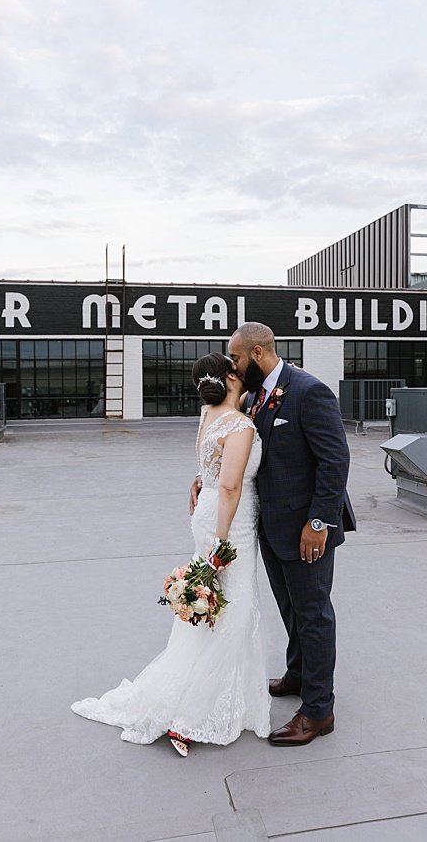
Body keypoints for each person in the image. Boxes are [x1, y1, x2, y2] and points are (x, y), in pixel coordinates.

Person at [72, 353, 270, 756]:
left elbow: (209, 470)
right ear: (232, 376)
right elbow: (231, 486)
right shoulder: (240, 424)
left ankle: (203, 697)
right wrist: (220, 544)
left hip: (208, 512)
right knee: (237, 610)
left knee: (212, 611)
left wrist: (201, 486)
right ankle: (190, 717)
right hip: (229, 524)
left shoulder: (207, 415)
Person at [220, 321, 354, 746]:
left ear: (258, 353)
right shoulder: (255, 397)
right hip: (273, 529)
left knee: (313, 615)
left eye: (237, 358)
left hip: (306, 529)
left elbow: (335, 461)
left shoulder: (308, 391)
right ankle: (298, 674)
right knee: (292, 610)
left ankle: (319, 710)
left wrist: (319, 523)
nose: (233, 367)